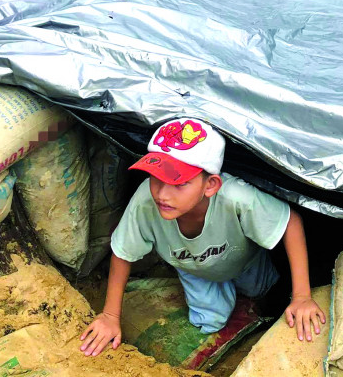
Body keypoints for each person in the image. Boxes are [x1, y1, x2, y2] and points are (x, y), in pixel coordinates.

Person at [79, 117, 326, 356]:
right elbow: (123, 251)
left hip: (243, 259)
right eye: (156, 177)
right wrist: (110, 316)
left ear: (210, 185)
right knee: (210, 320)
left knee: (261, 290)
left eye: (178, 182)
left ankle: (255, 298)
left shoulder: (237, 198)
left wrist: (302, 296)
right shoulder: (145, 201)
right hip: (192, 266)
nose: (162, 194)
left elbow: (289, 222)